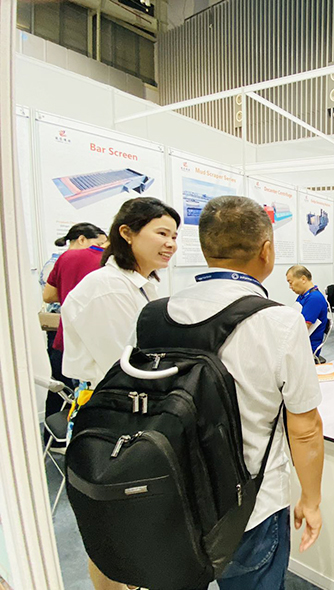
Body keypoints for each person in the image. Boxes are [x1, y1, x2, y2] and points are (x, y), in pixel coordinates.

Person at [164, 195, 324, 589]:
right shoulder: (280, 321)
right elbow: (305, 428)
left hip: (176, 493)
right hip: (251, 505)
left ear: (205, 248)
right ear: (266, 250)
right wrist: (311, 499)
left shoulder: (159, 311)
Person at [60, 197, 179, 590]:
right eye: (161, 233)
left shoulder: (143, 284)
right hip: (110, 417)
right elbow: (126, 368)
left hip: (136, 413)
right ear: (127, 233)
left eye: (174, 235)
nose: (171, 243)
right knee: (111, 534)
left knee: (136, 528)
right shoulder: (107, 289)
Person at [41, 223, 107, 415]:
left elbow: (48, 295)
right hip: (90, 339)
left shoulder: (62, 259)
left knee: (59, 389)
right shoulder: (103, 261)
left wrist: (67, 292)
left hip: (64, 334)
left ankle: (54, 431)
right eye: (99, 244)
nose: (102, 248)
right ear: (82, 239)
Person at [286, 264, 329, 354]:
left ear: (303, 279)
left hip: (306, 348)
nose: (290, 287)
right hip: (299, 343)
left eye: (290, 282)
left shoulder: (314, 298)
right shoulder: (303, 295)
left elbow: (303, 329)